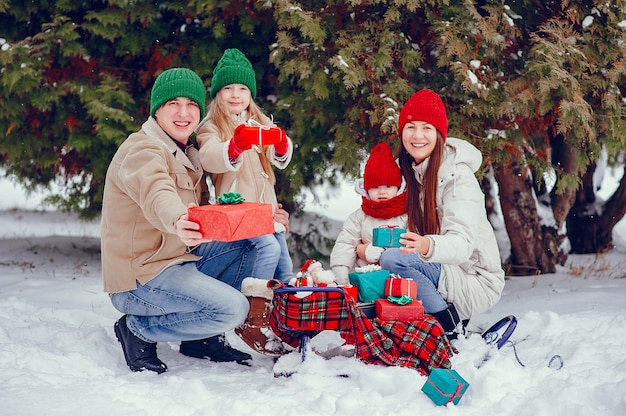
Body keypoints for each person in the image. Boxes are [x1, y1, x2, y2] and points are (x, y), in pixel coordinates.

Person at [101, 67, 270, 374]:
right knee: (233, 309)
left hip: (177, 260)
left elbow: (206, 211)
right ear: (157, 110)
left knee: (253, 243)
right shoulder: (143, 149)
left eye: (191, 104)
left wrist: (266, 213)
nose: (184, 112)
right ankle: (138, 329)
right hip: (142, 276)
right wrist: (178, 217)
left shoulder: (186, 151)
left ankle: (200, 339)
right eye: (173, 104)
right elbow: (156, 192)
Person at [378, 89, 505, 339]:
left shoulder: (458, 179)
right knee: (382, 262)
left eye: (427, 128)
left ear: (439, 134)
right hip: (442, 269)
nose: (417, 136)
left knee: (395, 260)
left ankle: (448, 328)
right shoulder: (409, 173)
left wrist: (425, 244)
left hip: (475, 277)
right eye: (410, 127)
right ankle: (414, 325)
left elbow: (462, 245)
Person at [196, 48, 294, 283]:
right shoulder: (212, 127)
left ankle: (284, 306)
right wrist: (233, 148)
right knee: (269, 250)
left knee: (285, 266)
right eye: (228, 88)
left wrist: (281, 145)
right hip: (239, 212)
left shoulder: (260, 123)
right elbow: (208, 155)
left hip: (267, 212)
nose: (235, 94)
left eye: (242, 88)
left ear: (250, 94)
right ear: (218, 93)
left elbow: (277, 154)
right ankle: (255, 306)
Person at [330, 142, 408, 285]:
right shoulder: (359, 217)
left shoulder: (406, 215)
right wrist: (342, 278)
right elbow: (345, 244)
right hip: (367, 279)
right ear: (366, 189)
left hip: (400, 280)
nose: (382, 191)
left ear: (398, 187)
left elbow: (416, 243)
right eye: (376, 187)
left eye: (388, 186)